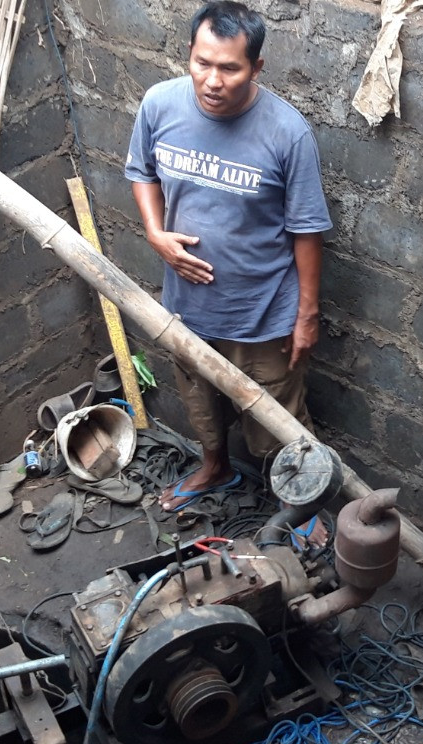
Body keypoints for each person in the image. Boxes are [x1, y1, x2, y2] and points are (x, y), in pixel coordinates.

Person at [125, 1, 332, 512]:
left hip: (261, 315)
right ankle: (214, 467)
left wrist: (306, 315)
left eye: (229, 68)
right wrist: (155, 233)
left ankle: (299, 510)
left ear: (256, 67)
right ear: (190, 55)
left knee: (276, 423)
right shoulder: (159, 104)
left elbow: (307, 231)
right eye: (202, 62)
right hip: (188, 308)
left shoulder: (288, 133)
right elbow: (142, 171)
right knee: (201, 403)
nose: (211, 80)